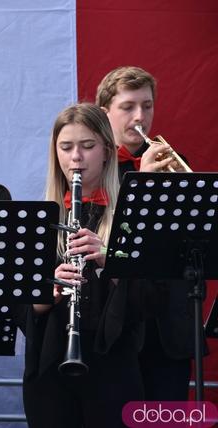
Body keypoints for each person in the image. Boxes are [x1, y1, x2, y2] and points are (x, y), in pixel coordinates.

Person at [21, 104, 144, 427]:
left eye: (87, 146)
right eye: (66, 147)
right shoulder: (39, 222)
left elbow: (151, 303)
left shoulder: (131, 217)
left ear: (106, 150)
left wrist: (110, 260)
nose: (76, 157)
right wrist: (49, 293)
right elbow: (21, 312)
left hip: (114, 368)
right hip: (51, 367)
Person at [96, 66, 196, 401]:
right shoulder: (94, 166)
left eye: (147, 105)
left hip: (168, 323)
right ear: (104, 112)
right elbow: (104, 234)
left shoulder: (173, 162)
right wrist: (144, 185)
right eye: (128, 107)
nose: (140, 116)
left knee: (168, 419)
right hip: (116, 324)